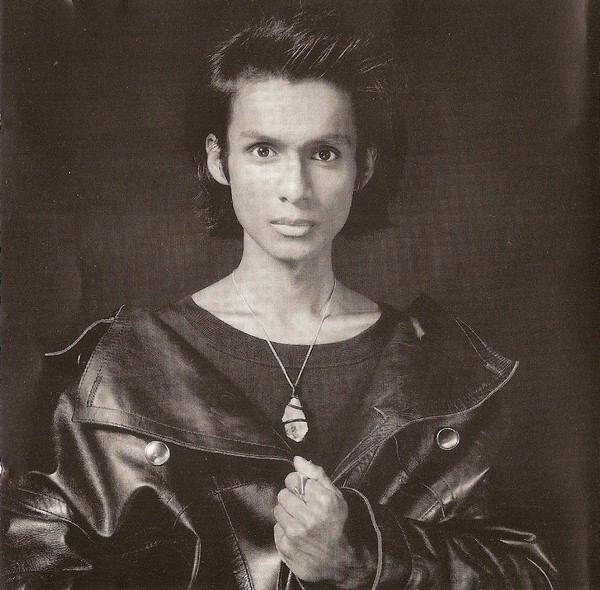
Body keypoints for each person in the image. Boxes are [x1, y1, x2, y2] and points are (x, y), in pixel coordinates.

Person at [1, 11, 558, 590]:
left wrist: (365, 556)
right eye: (264, 150)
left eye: (324, 153)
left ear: (363, 166)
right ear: (218, 160)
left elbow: (532, 573)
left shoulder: (446, 374)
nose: (296, 188)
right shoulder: (119, 370)